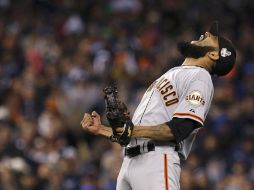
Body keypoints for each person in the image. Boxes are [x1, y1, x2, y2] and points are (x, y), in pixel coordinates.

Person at [80, 21, 236, 190]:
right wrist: (102, 129)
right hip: (130, 161)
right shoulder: (173, 73)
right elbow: (131, 132)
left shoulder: (200, 77)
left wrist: (132, 130)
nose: (205, 34)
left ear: (213, 55)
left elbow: (179, 129)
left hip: (156, 160)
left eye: (211, 38)